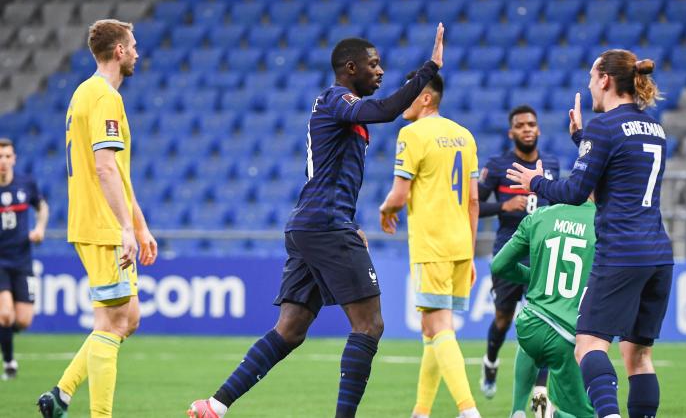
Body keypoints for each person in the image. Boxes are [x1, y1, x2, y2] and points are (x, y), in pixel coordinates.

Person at [188, 24, 445, 418]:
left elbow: (336, 171)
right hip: (324, 224)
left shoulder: (342, 109)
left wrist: (349, 220)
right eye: (372, 65)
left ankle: (214, 405)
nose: (380, 71)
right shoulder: (336, 99)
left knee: (289, 329)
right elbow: (387, 111)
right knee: (369, 325)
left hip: (316, 223)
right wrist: (429, 69)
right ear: (349, 67)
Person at [506, 49, 673, 418]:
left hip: (621, 254)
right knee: (639, 355)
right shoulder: (655, 128)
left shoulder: (605, 128)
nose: (589, 86)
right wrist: (583, 140)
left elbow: (576, 193)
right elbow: (616, 175)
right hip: (658, 254)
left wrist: (536, 180)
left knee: (588, 346)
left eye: (591, 78)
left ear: (605, 80)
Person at [37, 19, 158, 418]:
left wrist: (139, 226)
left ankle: (61, 394)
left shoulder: (83, 93)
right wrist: (124, 228)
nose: (138, 52)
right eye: (134, 45)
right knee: (111, 322)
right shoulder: (105, 97)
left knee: (129, 317)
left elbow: (118, 173)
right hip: (103, 225)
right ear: (119, 51)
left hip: (101, 221)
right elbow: (104, 169)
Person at [379, 71, 481, 418]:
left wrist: (386, 207)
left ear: (425, 98)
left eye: (409, 92)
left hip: (431, 244)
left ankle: (469, 411)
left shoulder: (411, 134)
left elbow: (400, 193)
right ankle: (420, 412)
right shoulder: (464, 136)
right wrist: (469, 256)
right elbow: (473, 202)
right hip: (459, 245)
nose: (402, 98)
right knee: (431, 329)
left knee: (440, 327)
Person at [477, 105, 560, 415]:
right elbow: (474, 206)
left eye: (531, 124)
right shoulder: (498, 166)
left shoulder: (550, 163)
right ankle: (490, 361)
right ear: (511, 132)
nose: (527, 128)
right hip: (509, 253)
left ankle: (540, 391)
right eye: (520, 125)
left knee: (544, 320)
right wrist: (504, 205)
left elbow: (558, 201)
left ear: (538, 129)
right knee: (503, 318)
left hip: (542, 254)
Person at [491, 198, 597, 418]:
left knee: (532, 341)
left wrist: (535, 277)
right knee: (586, 415)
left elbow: (499, 265)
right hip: (567, 337)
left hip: (530, 325)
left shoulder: (540, 215)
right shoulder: (603, 222)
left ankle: (518, 410)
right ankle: (551, 414)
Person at [0, 138, 48, 380]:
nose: (3, 161)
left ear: (14, 159)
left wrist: (40, 228)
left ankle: (4, 334)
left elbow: (42, 206)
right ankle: (9, 363)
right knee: (5, 314)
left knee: (23, 320)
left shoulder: (25, 183)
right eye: (0, 157)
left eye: (7, 156)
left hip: (22, 260)